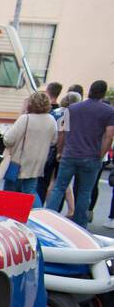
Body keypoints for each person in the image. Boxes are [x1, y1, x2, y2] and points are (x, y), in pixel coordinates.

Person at [45, 80, 114, 229]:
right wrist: (100, 154)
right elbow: (109, 136)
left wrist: (60, 151)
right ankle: (80, 224)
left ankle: (48, 220)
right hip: (91, 156)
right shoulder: (108, 112)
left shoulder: (72, 108)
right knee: (84, 192)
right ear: (103, 93)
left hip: (70, 154)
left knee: (59, 187)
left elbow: (63, 131)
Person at [2, 90, 57, 200]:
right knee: (30, 191)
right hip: (38, 162)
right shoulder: (51, 119)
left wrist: (5, 133)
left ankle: (7, 215)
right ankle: (38, 213)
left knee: (9, 192)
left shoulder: (25, 119)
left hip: (19, 161)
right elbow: (53, 140)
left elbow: (8, 140)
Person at [39, 82, 64, 201]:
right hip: (56, 150)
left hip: (45, 151)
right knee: (51, 181)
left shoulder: (46, 112)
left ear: (48, 90)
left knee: (40, 183)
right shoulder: (63, 112)